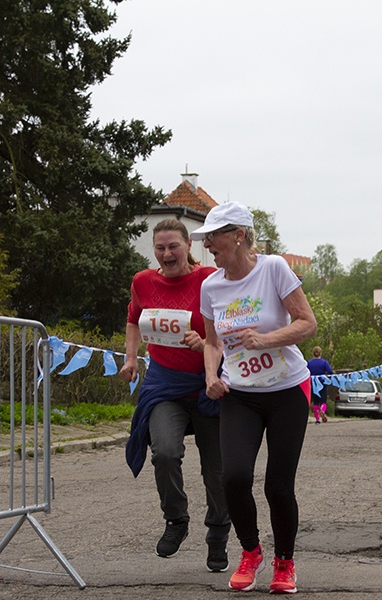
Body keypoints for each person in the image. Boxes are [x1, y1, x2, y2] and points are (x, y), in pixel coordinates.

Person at [194, 201, 318, 594]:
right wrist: (211, 374)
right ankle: (251, 552)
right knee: (233, 477)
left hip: (287, 390)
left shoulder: (274, 269)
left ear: (238, 235)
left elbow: (307, 323)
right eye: (206, 238)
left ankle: (285, 564)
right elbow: (213, 342)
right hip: (239, 394)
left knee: (278, 486)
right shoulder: (210, 286)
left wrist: (266, 338)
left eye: (214, 236)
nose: (209, 244)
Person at [121, 218, 231, 573]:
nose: (167, 254)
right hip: (163, 383)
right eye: (160, 247)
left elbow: (228, 328)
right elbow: (133, 318)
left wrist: (205, 345)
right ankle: (176, 519)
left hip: (207, 382)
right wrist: (130, 357)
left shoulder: (209, 280)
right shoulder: (143, 281)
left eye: (173, 246)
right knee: (165, 452)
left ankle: (218, 532)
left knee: (217, 470)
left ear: (189, 247)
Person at [306, 347, 333, 424]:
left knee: (315, 402)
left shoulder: (309, 363)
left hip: (313, 384)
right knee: (323, 401)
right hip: (322, 383)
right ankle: (322, 410)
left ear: (313, 353)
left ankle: (317, 420)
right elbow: (330, 371)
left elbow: (306, 372)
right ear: (320, 353)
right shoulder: (324, 362)